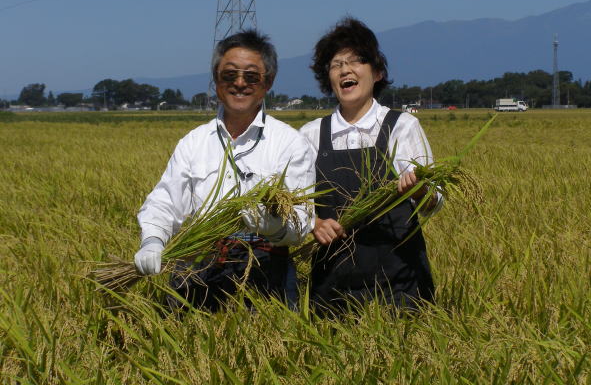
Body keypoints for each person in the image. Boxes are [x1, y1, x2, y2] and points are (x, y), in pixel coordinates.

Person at [134, 30, 314, 311]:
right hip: (198, 268)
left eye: (251, 76)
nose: (239, 83)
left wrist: (272, 225)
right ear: (216, 81)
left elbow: (303, 221)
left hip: (266, 272)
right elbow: (165, 201)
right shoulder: (194, 142)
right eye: (229, 75)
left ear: (267, 83)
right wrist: (153, 240)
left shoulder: (289, 143)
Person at [299, 17, 442, 314]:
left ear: (377, 73)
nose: (345, 70)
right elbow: (294, 201)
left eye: (357, 61)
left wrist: (419, 190)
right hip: (333, 289)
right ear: (328, 78)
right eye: (336, 64)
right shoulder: (311, 135)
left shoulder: (402, 127)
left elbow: (434, 201)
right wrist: (313, 223)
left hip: (400, 284)